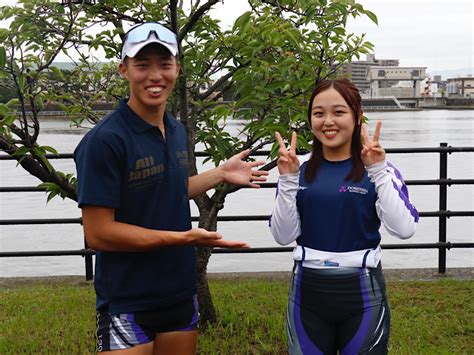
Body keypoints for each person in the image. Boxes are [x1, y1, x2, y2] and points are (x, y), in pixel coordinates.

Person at [74, 22, 268, 354]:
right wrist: (182, 239)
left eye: (164, 64)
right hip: (127, 298)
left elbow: (166, 190)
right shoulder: (105, 140)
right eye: (142, 65)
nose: (155, 75)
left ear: (177, 68)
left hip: (178, 292)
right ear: (123, 69)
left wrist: (219, 173)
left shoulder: (176, 129)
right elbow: (98, 233)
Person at [270, 78, 418, 354]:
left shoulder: (378, 169)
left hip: (363, 293)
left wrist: (378, 171)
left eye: (339, 112)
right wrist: (288, 180)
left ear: (357, 117)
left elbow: (404, 228)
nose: (328, 121)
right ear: (310, 119)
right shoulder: (296, 168)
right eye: (318, 113)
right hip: (306, 293)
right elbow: (282, 235)